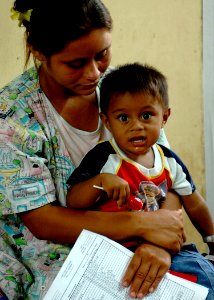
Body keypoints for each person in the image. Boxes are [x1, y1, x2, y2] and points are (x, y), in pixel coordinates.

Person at [0, 0, 211, 299]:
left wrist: (158, 244)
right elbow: (43, 221)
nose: (93, 73)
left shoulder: (124, 89)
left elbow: (166, 175)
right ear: (39, 52)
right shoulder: (12, 116)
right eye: (76, 64)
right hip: (57, 254)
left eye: (101, 55)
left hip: (142, 239)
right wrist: (142, 225)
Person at [66, 62, 214, 254]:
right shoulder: (104, 157)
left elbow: (194, 203)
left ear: (164, 117)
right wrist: (100, 182)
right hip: (111, 250)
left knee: (200, 274)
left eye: (146, 115)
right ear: (107, 122)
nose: (136, 126)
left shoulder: (169, 161)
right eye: (123, 118)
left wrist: (210, 239)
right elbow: (73, 201)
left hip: (159, 248)